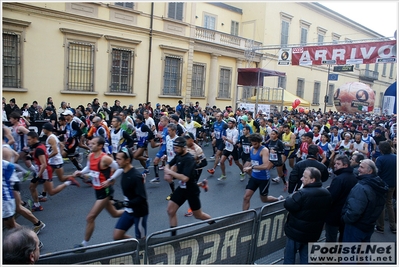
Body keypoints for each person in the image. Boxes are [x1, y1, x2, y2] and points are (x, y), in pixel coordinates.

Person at [73, 136, 124, 250]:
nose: (90, 145)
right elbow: (89, 167)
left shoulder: (105, 158)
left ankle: (83, 245)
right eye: (90, 143)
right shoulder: (91, 156)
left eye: (94, 144)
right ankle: (133, 210)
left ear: (100, 146)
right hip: (97, 189)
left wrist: (110, 180)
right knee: (114, 213)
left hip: (105, 191)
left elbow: (120, 167)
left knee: (90, 217)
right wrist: (81, 172)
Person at [164, 137, 212, 236]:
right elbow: (168, 164)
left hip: (191, 190)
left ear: (183, 147)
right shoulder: (178, 155)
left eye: (177, 148)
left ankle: (215, 225)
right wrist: (167, 172)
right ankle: (173, 237)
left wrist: (170, 172)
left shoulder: (189, 159)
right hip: (182, 188)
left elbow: (185, 178)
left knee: (198, 215)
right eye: (174, 148)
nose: (175, 150)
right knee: (170, 210)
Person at [283, 167, 332, 264]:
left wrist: (293, 194)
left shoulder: (302, 193)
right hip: (313, 233)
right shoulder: (327, 193)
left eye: (304, 177)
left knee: (289, 257)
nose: (301, 179)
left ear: (312, 180)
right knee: (306, 257)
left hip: (296, 233)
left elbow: (288, 204)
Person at [27, 131, 79, 212]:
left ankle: (68, 182)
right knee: (32, 187)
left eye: (29, 139)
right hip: (40, 171)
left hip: (44, 172)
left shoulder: (39, 149)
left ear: (34, 139)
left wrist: (37, 177)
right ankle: (37, 205)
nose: (28, 141)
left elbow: (43, 164)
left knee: (51, 192)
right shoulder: (39, 146)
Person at [341, 159, 388, 242]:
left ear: (370, 171)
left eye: (362, 167)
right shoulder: (379, 184)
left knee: (350, 253)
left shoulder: (361, 187)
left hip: (356, 226)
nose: (358, 169)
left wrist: (345, 218)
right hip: (368, 225)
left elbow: (354, 211)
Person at [112, 147, 149, 240]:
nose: (116, 161)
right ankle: (134, 245)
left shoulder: (135, 176)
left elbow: (142, 198)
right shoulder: (123, 171)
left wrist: (125, 204)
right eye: (116, 158)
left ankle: (143, 252)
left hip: (139, 212)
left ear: (127, 160)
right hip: (129, 211)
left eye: (119, 159)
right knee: (117, 236)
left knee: (141, 240)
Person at [242, 133, 283, 211]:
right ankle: (244, 217)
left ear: (260, 142)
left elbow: (266, 166)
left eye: (256, 144)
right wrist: (247, 166)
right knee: (246, 197)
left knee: (264, 199)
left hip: (263, 178)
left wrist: (251, 167)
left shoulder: (264, 150)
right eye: (252, 144)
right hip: (254, 177)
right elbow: (253, 160)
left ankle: (277, 200)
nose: (254, 145)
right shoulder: (251, 148)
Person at [324, 155, 358, 242]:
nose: (335, 165)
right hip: (346, 213)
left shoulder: (339, 179)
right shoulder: (353, 177)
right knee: (343, 237)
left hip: (335, 214)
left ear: (345, 165)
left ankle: (330, 255)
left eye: (338, 164)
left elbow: (332, 197)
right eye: (335, 163)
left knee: (331, 238)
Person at [375, 141, 397, 234]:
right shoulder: (396, 157)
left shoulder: (380, 159)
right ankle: (393, 226)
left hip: (382, 185)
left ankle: (380, 226)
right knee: (389, 204)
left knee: (381, 205)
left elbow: (377, 173)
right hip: (393, 183)